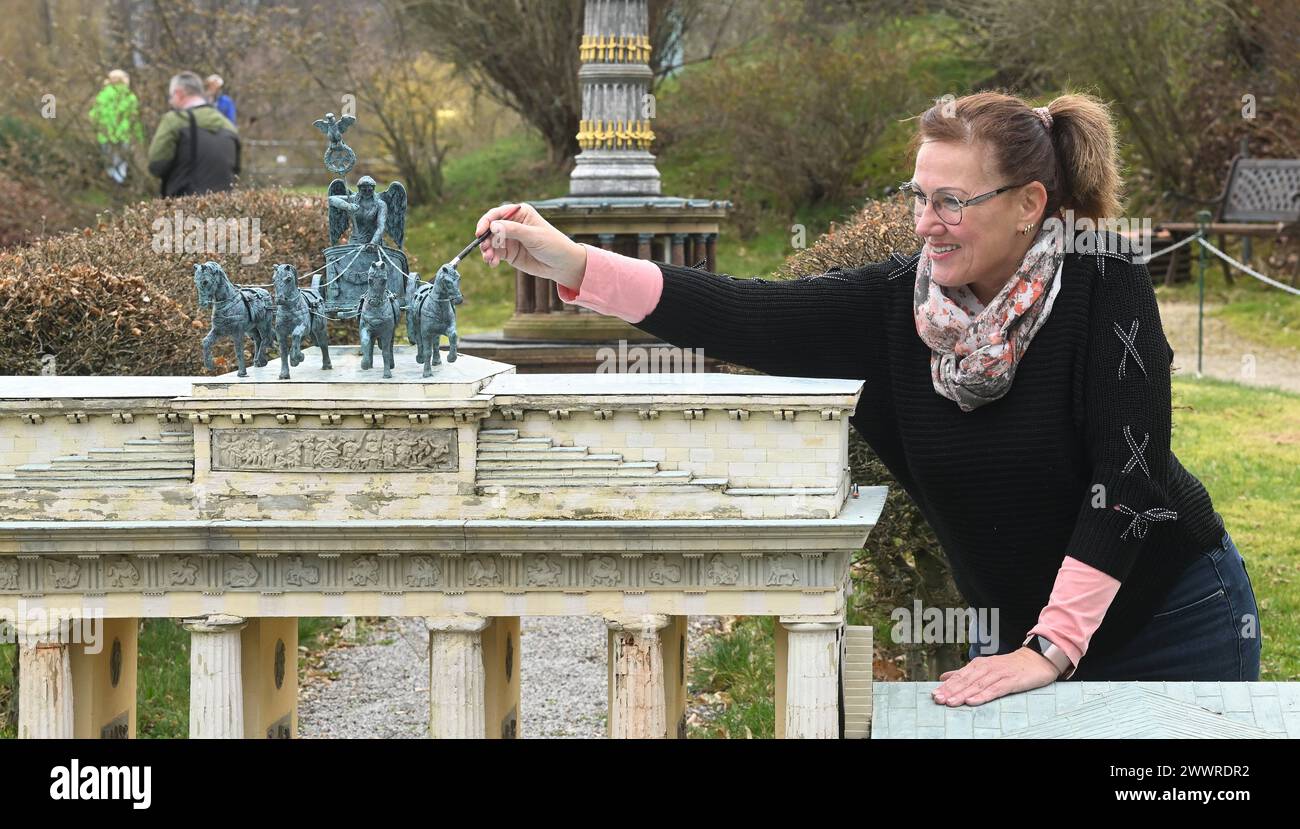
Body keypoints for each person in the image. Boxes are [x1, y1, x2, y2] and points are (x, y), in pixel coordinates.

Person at [473, 91, 1262, 705]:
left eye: (953, 201)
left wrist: (1049, 648)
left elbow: (1127, 480)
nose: (926, 223)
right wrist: (570, 260)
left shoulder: (1106, 282)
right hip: (1025, 645)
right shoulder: (892, 307)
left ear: (1029, 204)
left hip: (1173, 617)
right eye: (918, 195)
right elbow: (743, 313)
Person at [148, 71, 240, 197]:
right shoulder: (228, 126)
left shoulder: (174, 120)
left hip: (184, 205)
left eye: (171, 97)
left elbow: (156, 165)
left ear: (179, 93)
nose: (171, 102)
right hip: (223, 208)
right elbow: (236, 170)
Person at [87, 69, 143, 185]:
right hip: (124, 134)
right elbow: (135, 118)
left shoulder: (103, 95)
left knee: (109, 159)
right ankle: (120, 180)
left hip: (105, 134)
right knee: (122, 160)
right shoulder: (130, 96)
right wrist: (139, 136)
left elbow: (94, 115)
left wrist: (96, 127)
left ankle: (111, 180)